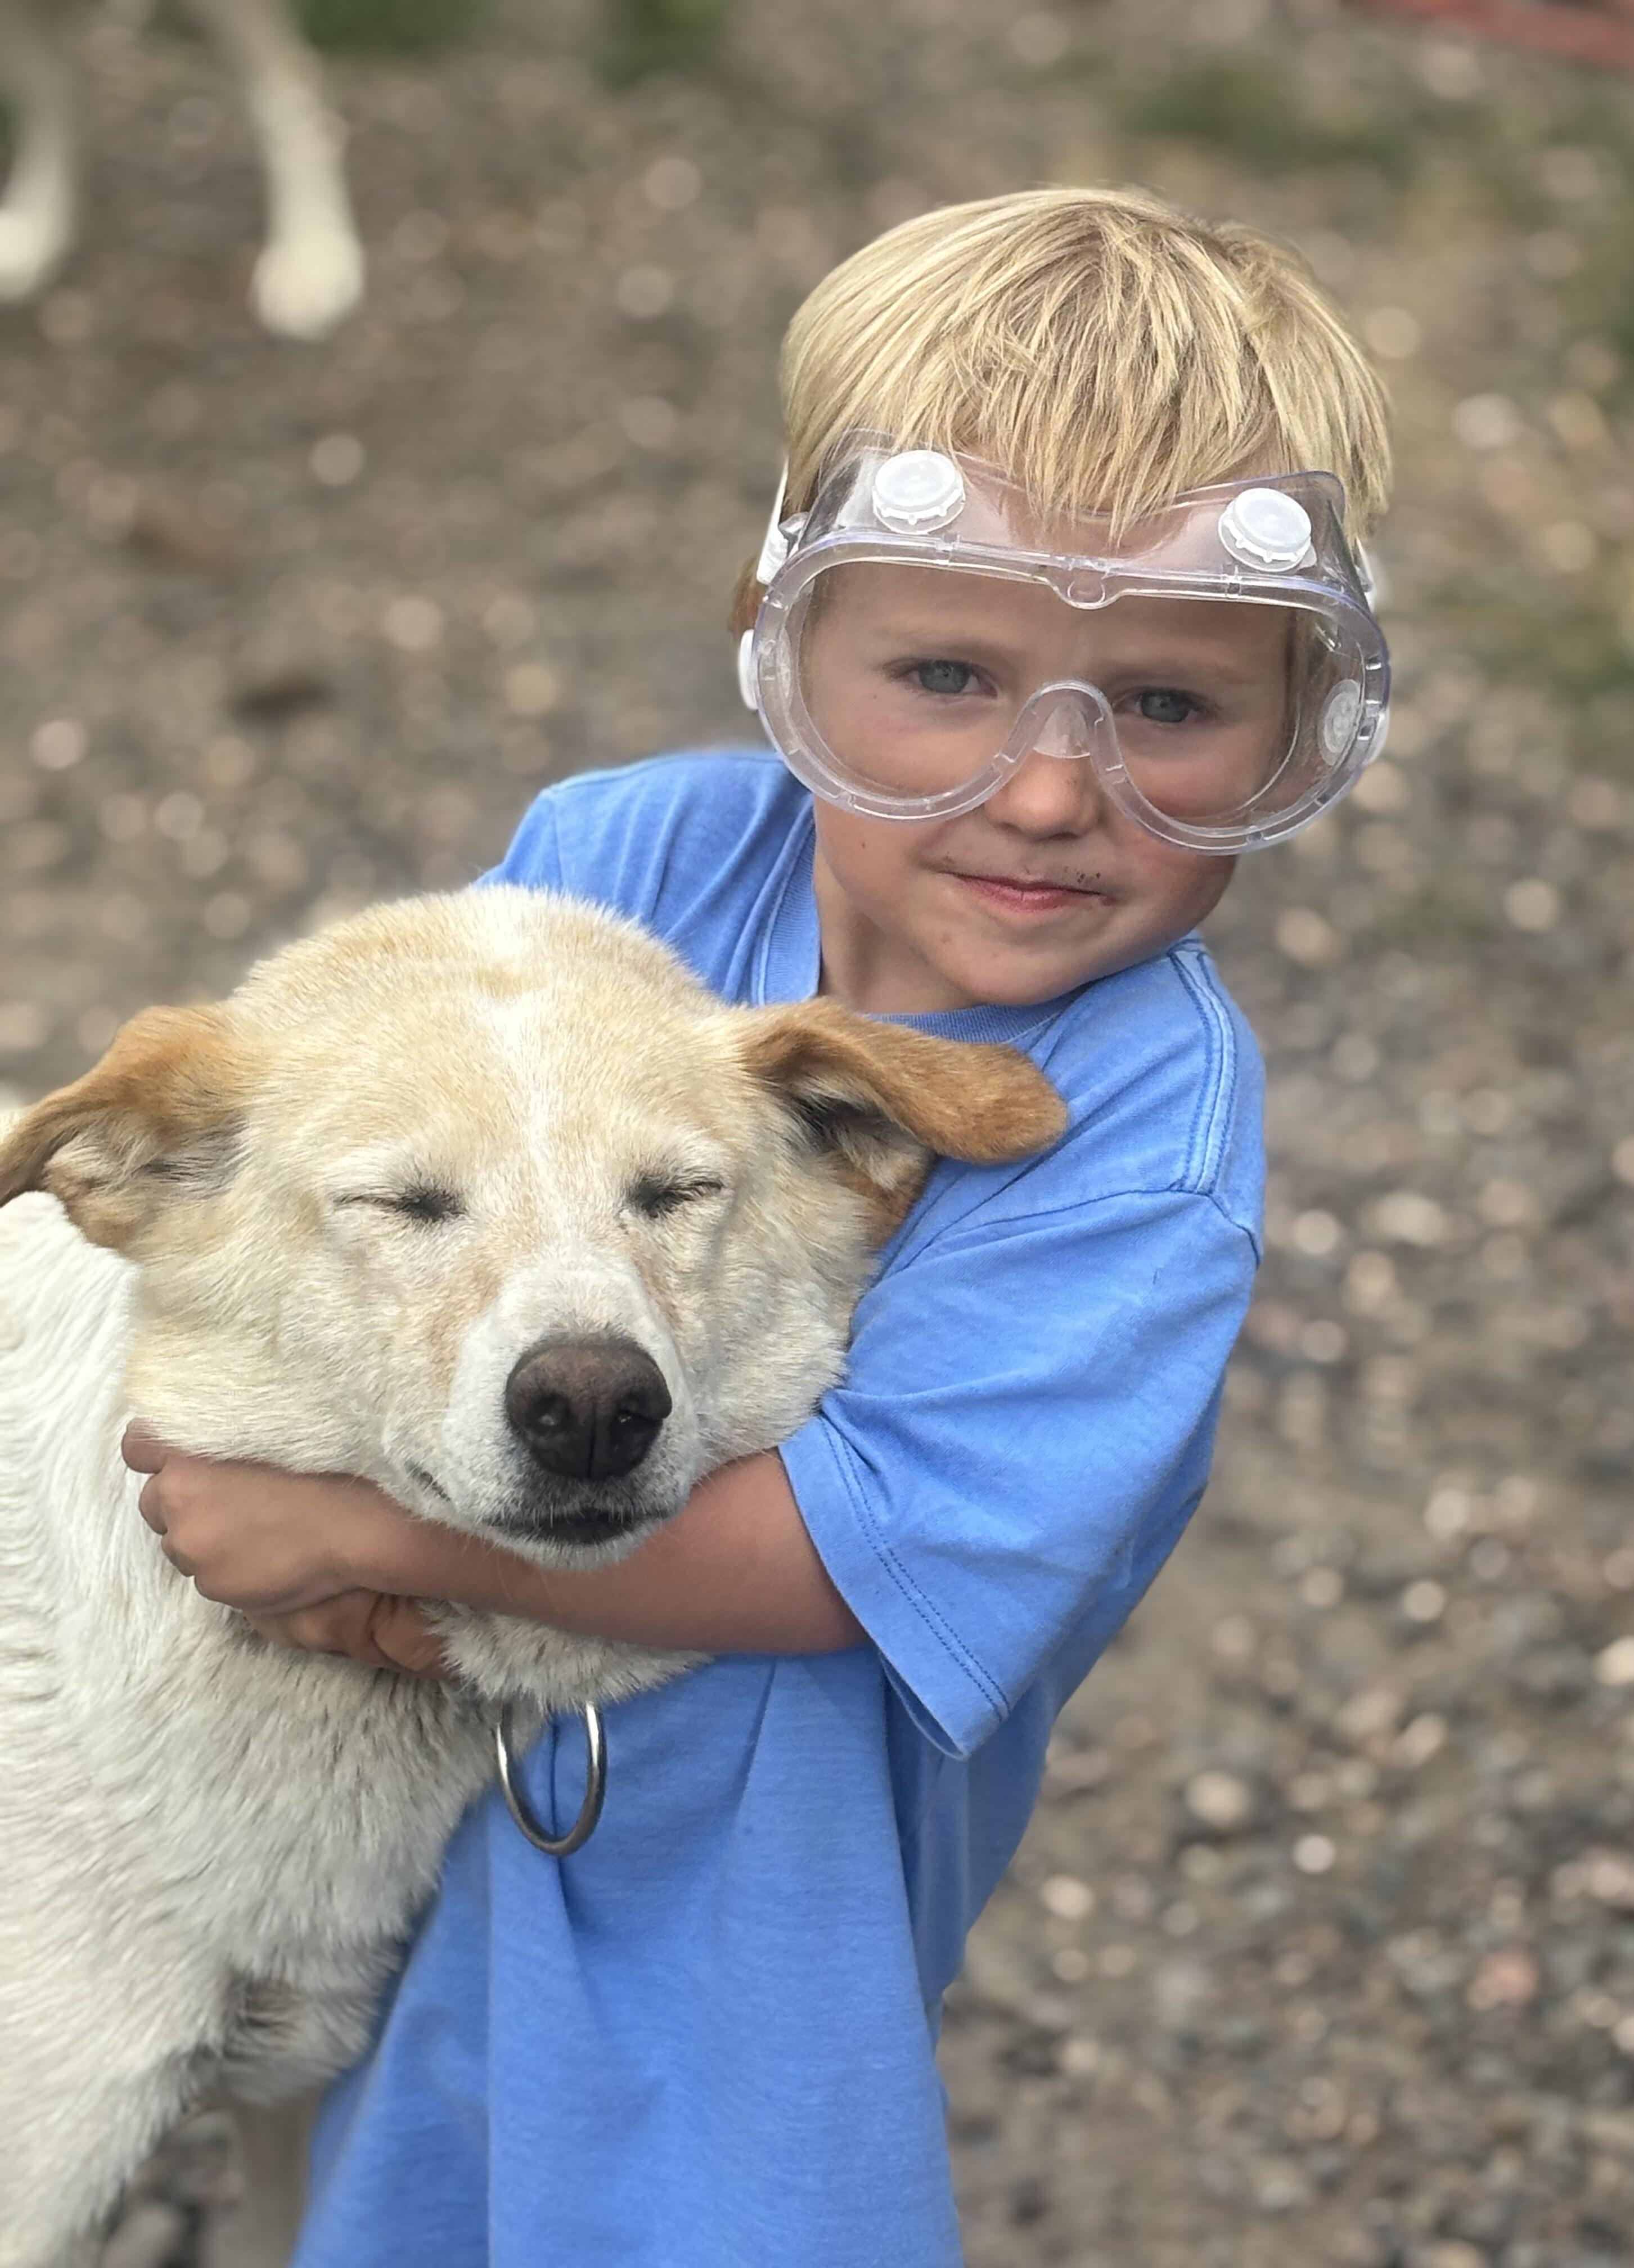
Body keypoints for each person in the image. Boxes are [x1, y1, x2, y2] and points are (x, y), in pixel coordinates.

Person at [128, 185, 1393, 2266]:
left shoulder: (1145, 1145)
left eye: (1166, 709)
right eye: (949, 673)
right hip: (439, 1757)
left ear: (1298, 728)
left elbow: (837, 1559)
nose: (1052, 789)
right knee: (377, 2160)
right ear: (788, 646)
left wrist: (355, 1535)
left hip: (747, 1886)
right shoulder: (615, 860)